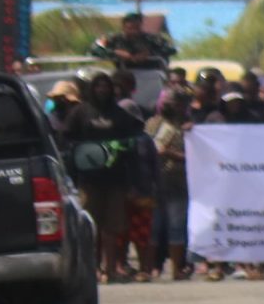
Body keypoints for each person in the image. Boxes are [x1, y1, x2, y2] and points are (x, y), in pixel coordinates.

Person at [60, 71, 146, 282]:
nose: (102, 90)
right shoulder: (80, 113)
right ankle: (93, 268)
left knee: (112, 228)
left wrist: (134, 182)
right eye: (98, 86)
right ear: (91, 89)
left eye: (106, 86)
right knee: (90, 227)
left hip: (115, 180)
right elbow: (65, 138)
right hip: (89, 180)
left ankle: (111, 269)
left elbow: (132, 146)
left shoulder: (119, 115)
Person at [147, 89, 194, 281]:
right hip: (155, 183)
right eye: (169, 101)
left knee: (176, 227)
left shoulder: (187, 127)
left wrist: (172, 153)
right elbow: (152, 148)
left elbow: (195, 153)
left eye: (177, 102)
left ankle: (176, 269)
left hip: (178, 184)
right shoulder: (153, 124)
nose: (171, 105)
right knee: (154, 228)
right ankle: (147, 268)